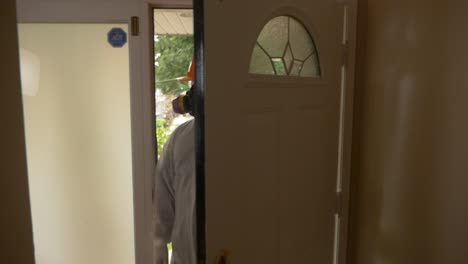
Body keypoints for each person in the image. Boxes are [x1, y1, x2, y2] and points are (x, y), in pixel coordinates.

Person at [153, 60, 196, 264]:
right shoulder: (180, 138)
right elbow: (162, 199)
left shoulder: (180, 138)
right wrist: (158, 242)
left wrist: (158, 240)